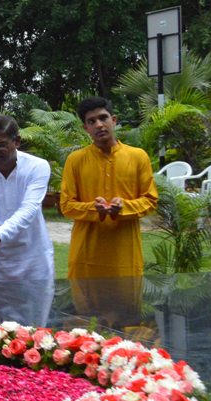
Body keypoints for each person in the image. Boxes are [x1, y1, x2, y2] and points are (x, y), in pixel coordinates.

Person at [60, 97, 158, 326]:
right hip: (86, 256)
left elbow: (150, 199)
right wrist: (92, 209)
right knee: (86, 326)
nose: (99, 125)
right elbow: (66, 205)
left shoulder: (137, 157)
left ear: (113, 120)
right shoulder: (75, 160)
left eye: (103, 118)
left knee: (126, 324)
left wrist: (124, 207)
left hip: (124, 256)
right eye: (91, 121)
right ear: (86, 128)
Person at [0, 115, 54, 325]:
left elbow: (29, 209)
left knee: (35, 332)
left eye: (1, 145)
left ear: (17, 141)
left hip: (32, 260)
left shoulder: (38, 167)